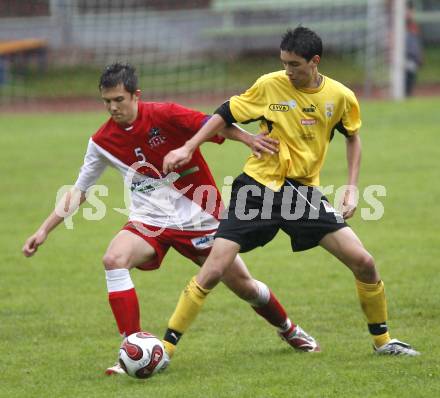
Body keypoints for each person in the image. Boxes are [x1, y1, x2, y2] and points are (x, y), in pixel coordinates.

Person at [22, 62, 320, 376]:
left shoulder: (165, 114)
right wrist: (44, 230)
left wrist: (247, 139)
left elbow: (213, 123)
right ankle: (133, 348)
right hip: (150, 221)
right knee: (113, 259)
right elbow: (79, 190)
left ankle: (288, 328)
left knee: (244, 286)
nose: (112, 108)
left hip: (200, 218)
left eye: (119, 100)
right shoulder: (101, 141)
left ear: (136, 95)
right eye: (106, 101)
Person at [161, 26, 420, 360]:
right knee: (213, 269)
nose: (288, 70)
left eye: (295, 64)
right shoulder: (270, 85)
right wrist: (190, 146)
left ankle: (383, 342)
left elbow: (352, 136)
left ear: (315, 62)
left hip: (302, 194)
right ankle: (165, 349)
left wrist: (352, 189)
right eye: (284, 62)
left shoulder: (340, 96)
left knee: (364, 262)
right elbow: (222, 115)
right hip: (256, 190)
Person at [405, 1, 423, 96]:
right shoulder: (395, 26)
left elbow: (417, 45)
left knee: (411, 73)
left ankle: (408, 94)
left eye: (411, 11)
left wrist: (419, 56)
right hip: (401, 58)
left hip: (411, 58)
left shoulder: (414, 27)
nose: (409, 13)